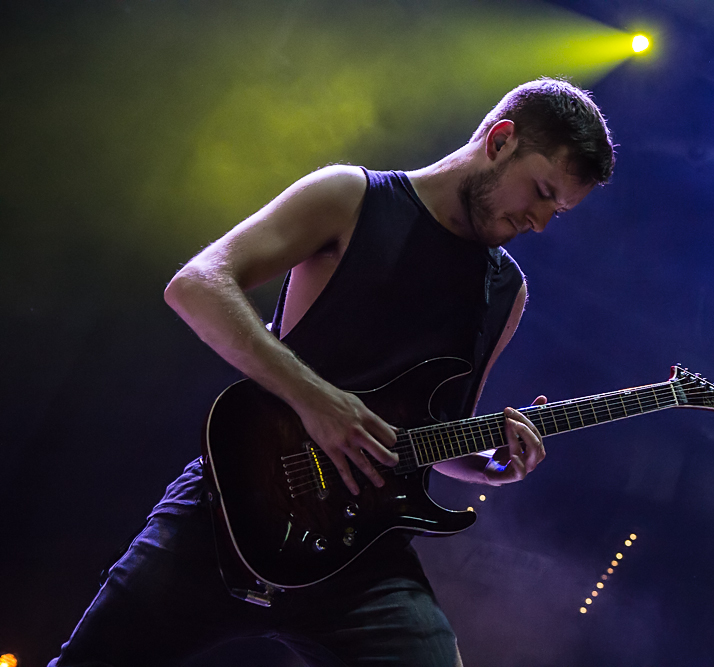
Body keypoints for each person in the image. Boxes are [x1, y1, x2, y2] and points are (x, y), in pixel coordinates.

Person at [50, 77, 615, 666]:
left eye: (558, 210)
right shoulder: (350, 197)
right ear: (500, 141)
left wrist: (488, 463)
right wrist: (316, 400)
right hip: (232, 509)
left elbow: (427, 434)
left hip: (364, 556)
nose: (541, 221)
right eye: (542, 191)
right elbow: (197, 285)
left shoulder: (506, 292)